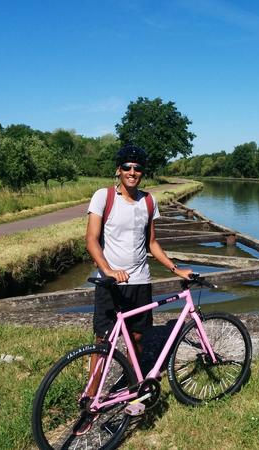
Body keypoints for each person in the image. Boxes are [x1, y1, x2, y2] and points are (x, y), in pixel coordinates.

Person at [85, 145, 192, 359]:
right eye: (127, 167)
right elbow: (91, 240)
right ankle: (90, 393)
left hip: (140, 282)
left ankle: (135, 384)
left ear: (142, 172)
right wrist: (108, 270)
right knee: (102, 340)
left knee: (137, 337)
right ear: (118, 170)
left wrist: (175, 269)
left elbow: (151, 243)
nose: (132, 172)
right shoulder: (103, 197)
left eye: (137, 168)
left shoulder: (149, 201)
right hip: (111, 283)